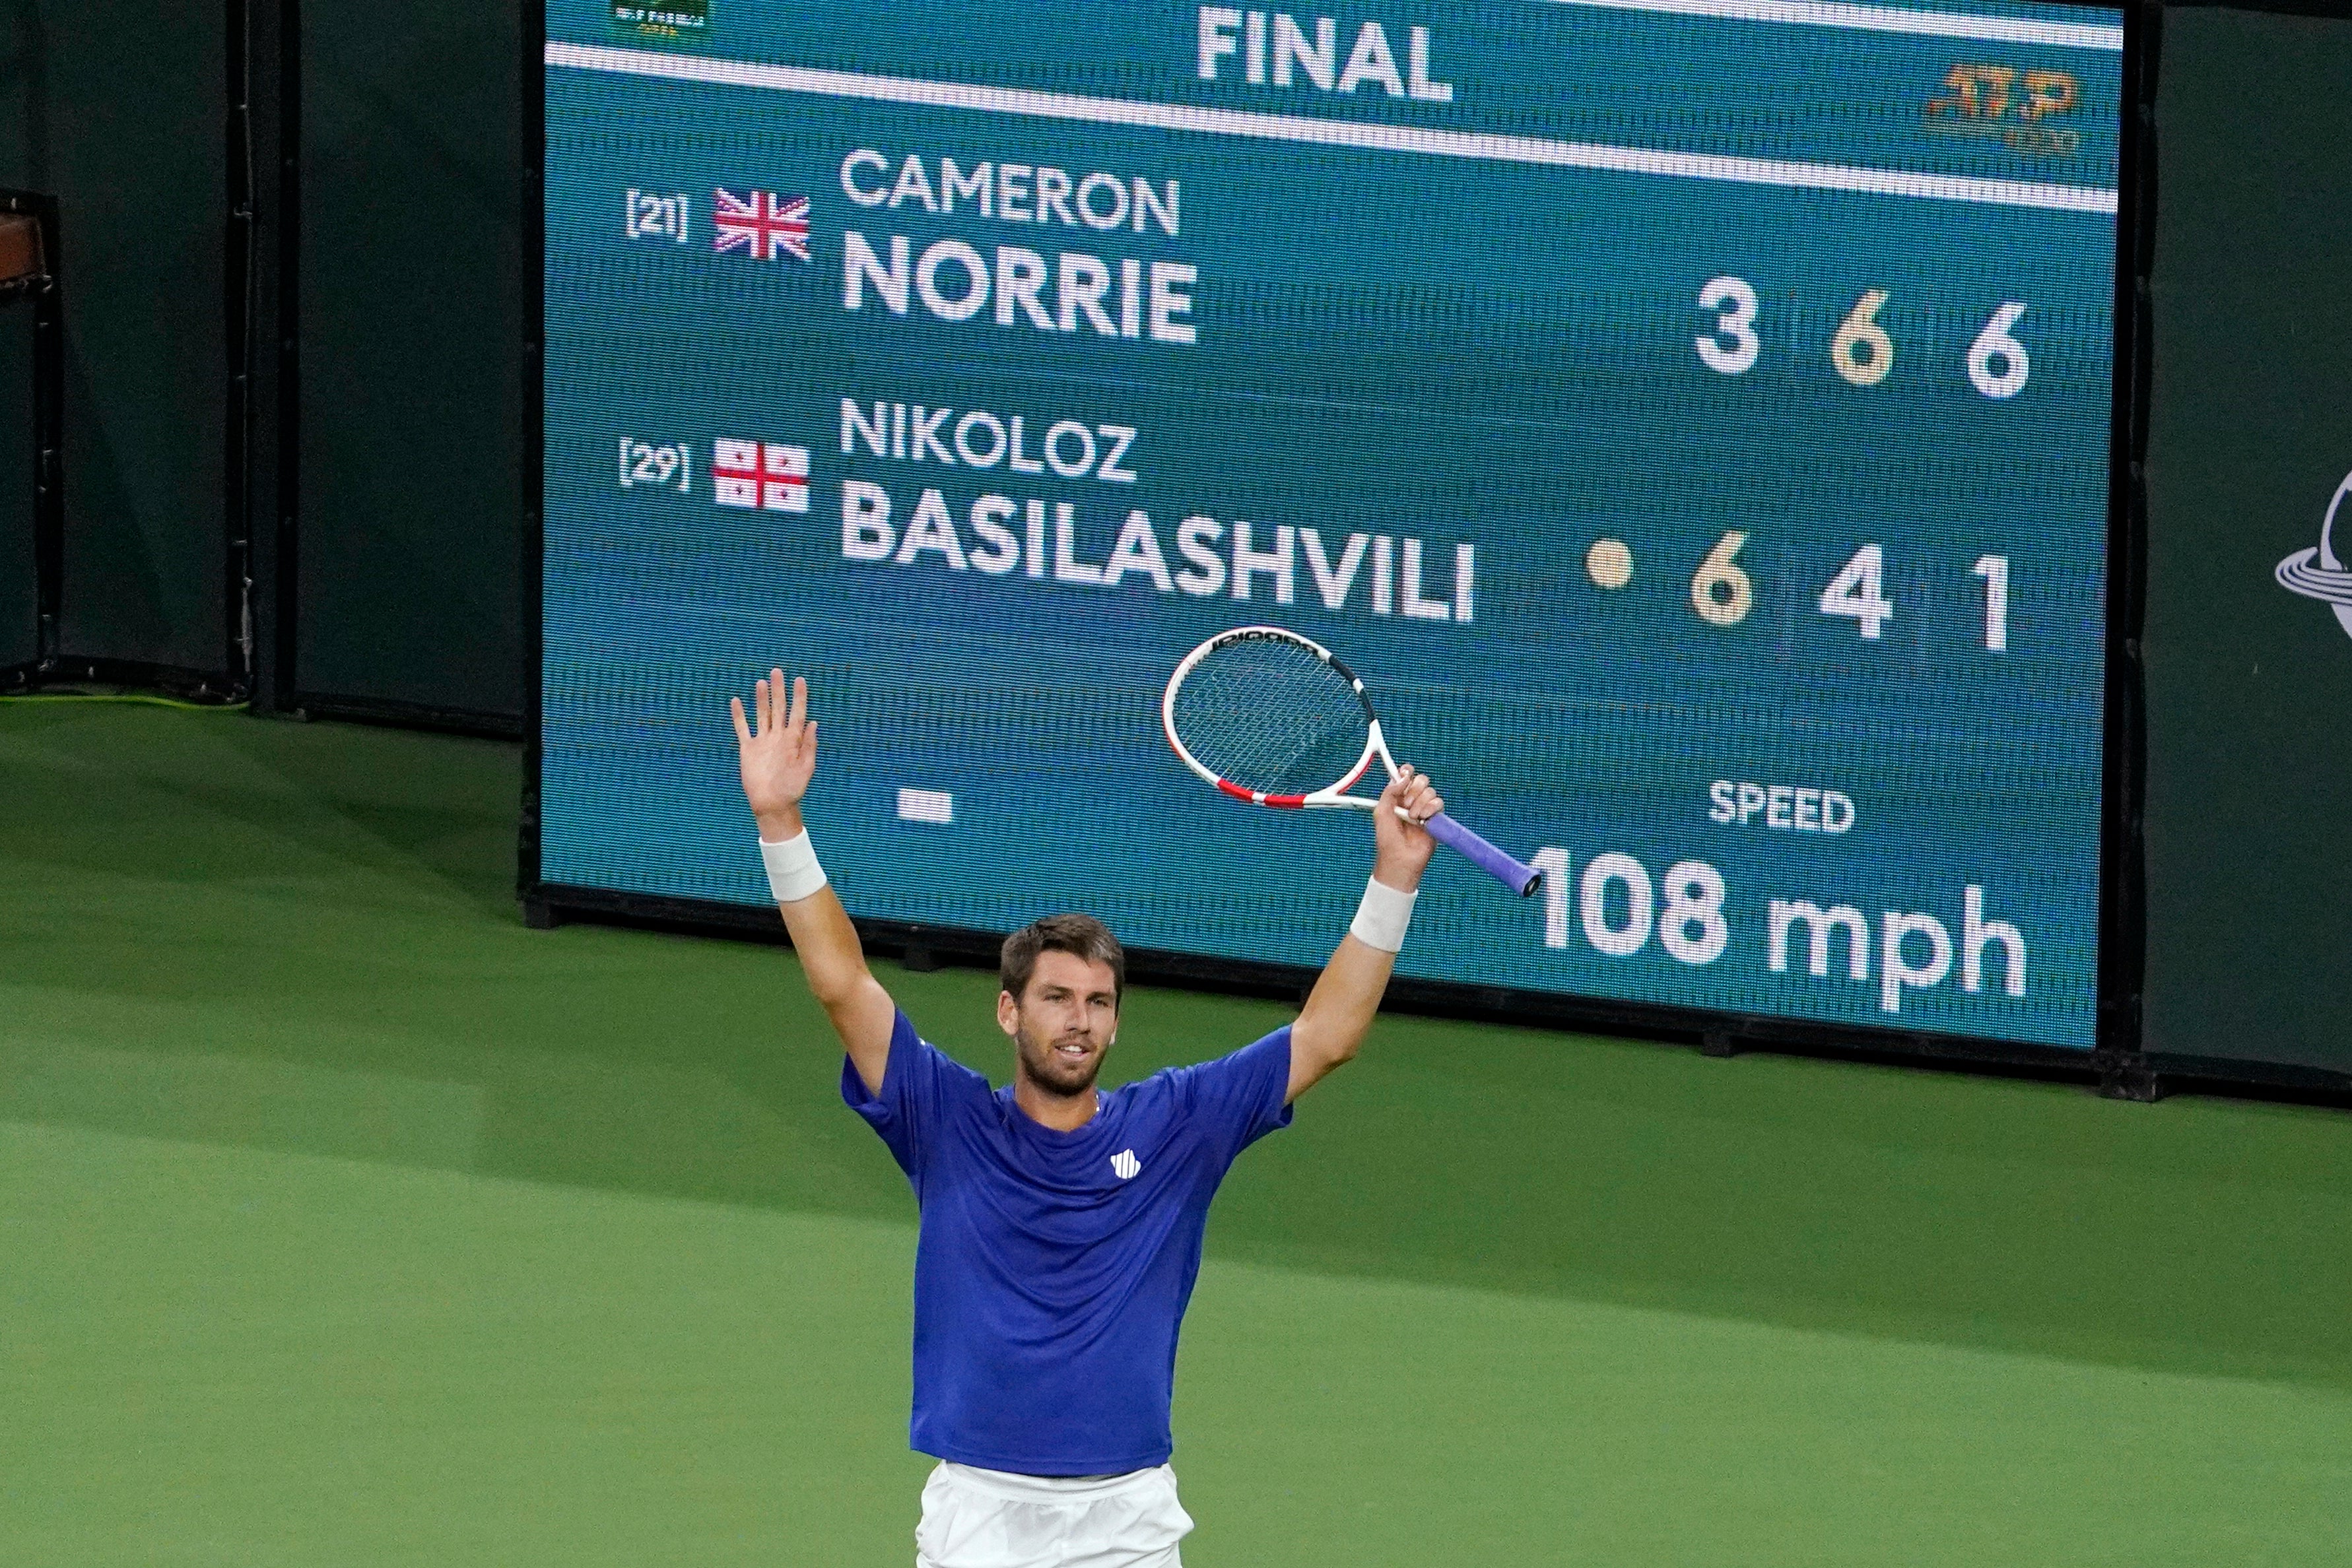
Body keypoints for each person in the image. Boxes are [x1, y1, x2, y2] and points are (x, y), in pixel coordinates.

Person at [729, 669, 1447, 1568]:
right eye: (1058, 997)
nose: (1079, 1019)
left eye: (1099, 1002)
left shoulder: (1180, 1124)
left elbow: (1328, 1034)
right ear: (1009, 1011)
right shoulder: (946, 1119)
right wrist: (779, 822)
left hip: (1128, 1524)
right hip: (981, 1516)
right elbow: (844, 984)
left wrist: (1393, 876)